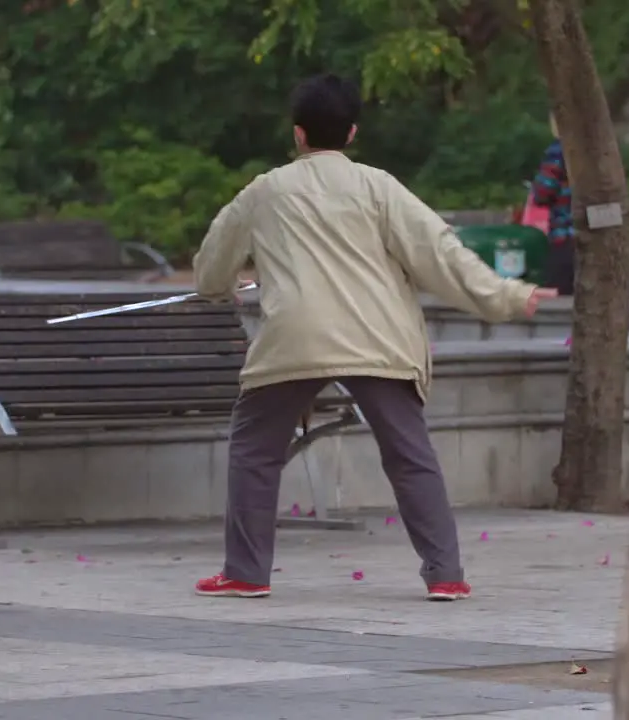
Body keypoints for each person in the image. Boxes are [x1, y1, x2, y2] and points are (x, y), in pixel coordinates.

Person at [191, 74, 557, 602]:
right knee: (411, 457)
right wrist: (506, 296)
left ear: (298, 135)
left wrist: (229, 281)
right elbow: (440, 253)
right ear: (353, 131)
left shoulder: (263, 192)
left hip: (297, 336)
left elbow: (208, 273)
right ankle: (446, 574)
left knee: (254, 450)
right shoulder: (378, 186)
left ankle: (247, 571)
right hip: (378, 336)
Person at [533, 113, 575, 295]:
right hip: (597, 235)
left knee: (559, 299)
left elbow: (544, 190)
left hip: (565, 234)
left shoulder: (558, 150)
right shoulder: (598, 151)